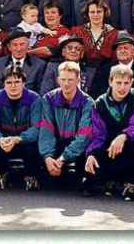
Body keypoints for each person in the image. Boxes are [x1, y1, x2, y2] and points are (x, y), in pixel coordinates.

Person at [84, 64, 134, 200]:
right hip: (108, 147)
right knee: (89, 177)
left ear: (132, 83)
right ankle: (110, 180)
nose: (122, 87)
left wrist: (123, 136)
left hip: (129, 144)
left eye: (126, 83)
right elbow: (98, 134)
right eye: (118, 82)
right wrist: (91, 153)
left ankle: (131, 183)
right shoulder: (100, 103)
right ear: (110, 82)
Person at [0, 65, 42, 191]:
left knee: (36, 145)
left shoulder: (35, 99)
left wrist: (18, 139)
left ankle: (31, 176)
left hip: (24, 140)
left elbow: (37, 128)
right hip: (4, 141)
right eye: (9, 82)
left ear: (24, 83)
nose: (13, 86)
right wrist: (0, 139)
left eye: (17, 82)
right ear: (3, 84)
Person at [38, 61, 97, 189]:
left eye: (70, 80)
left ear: (78, 80)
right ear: (58, 80)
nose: (66, 83)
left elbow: (84, 136)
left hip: (78, 146)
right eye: (63, 79)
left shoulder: (88, 102)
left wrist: (63, 158)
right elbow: (46, 130)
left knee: (86, 182)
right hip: (57, 142)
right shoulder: (48, 99)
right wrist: (48, 157)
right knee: (52, 183)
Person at [92, 31, 134, 103]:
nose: (122, 51)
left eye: (126, 48)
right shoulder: (104, 70)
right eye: (119, 48)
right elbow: (95, 95)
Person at [0, 28, 47, 93]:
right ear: (9, 47)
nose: (19, 49)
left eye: (22, 44)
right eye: (15, 45)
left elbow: (41, 91)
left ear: (28, 45)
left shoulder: (40, 65)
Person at [70, 0, 118, 67]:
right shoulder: (77, 31)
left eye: (99, 11)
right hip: (82, 70)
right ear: (87, 14)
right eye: (92, 12)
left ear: (104, 13)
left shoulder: (114, 33)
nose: (96, 15)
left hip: (106, 71)